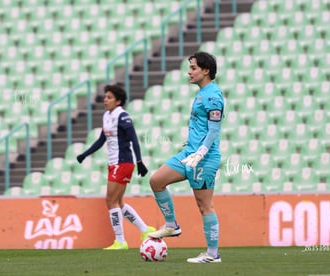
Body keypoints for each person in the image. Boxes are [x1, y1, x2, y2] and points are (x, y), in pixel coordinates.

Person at [148, 52, 224, 263]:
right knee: (156, 180)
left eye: (193, 68)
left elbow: (214, 130)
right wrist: (192, 145)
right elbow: (201, 127)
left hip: (204, 158)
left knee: (204, 205)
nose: (189, 72)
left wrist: (201, 152)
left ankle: (212, 254)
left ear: (206, 70)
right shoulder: (201, 93)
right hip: (189, 154)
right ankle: (172, 225)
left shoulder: (213, 95)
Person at [76, 84, 156, 250]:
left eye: (109, 97)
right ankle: (145, 229)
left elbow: (134, 140)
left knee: (110, 201)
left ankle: (120, 241)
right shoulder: (106, 116)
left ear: (118, 101)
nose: (105, 100)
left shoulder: (123, 116)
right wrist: (85, 154)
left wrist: (140, 161)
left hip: (123, 162)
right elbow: (101, 140)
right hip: (114, 164)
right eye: (105, 97)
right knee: (118, 202)